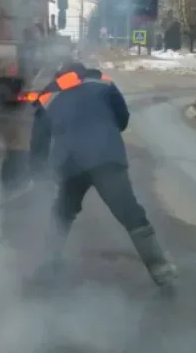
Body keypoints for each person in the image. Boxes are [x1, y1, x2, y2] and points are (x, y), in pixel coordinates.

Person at [34, 60, 178, 287]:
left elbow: (39, 138)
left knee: (63, 212)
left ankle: (47, 267)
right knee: (130, 212)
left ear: (59, 75)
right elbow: (122, 117)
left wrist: (38, 170)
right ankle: (160, 269)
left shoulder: (48, 94)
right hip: (106, 158)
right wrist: (106, 133)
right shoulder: (102, 83)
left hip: (71, 163)